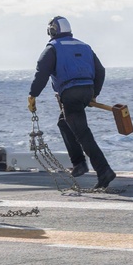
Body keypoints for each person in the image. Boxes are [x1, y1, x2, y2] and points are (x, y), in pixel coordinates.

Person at [28, 16, 116, 189]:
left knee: (82, 133)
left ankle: (104, 170)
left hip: (71, 93)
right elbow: (100, 70)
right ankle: (79, 163)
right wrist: (94, 94)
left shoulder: (52, 48)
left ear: (52, 31)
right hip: (87, 90)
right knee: (64, 123)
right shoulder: (84, 46)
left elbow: (42, 72)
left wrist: (33, 95)